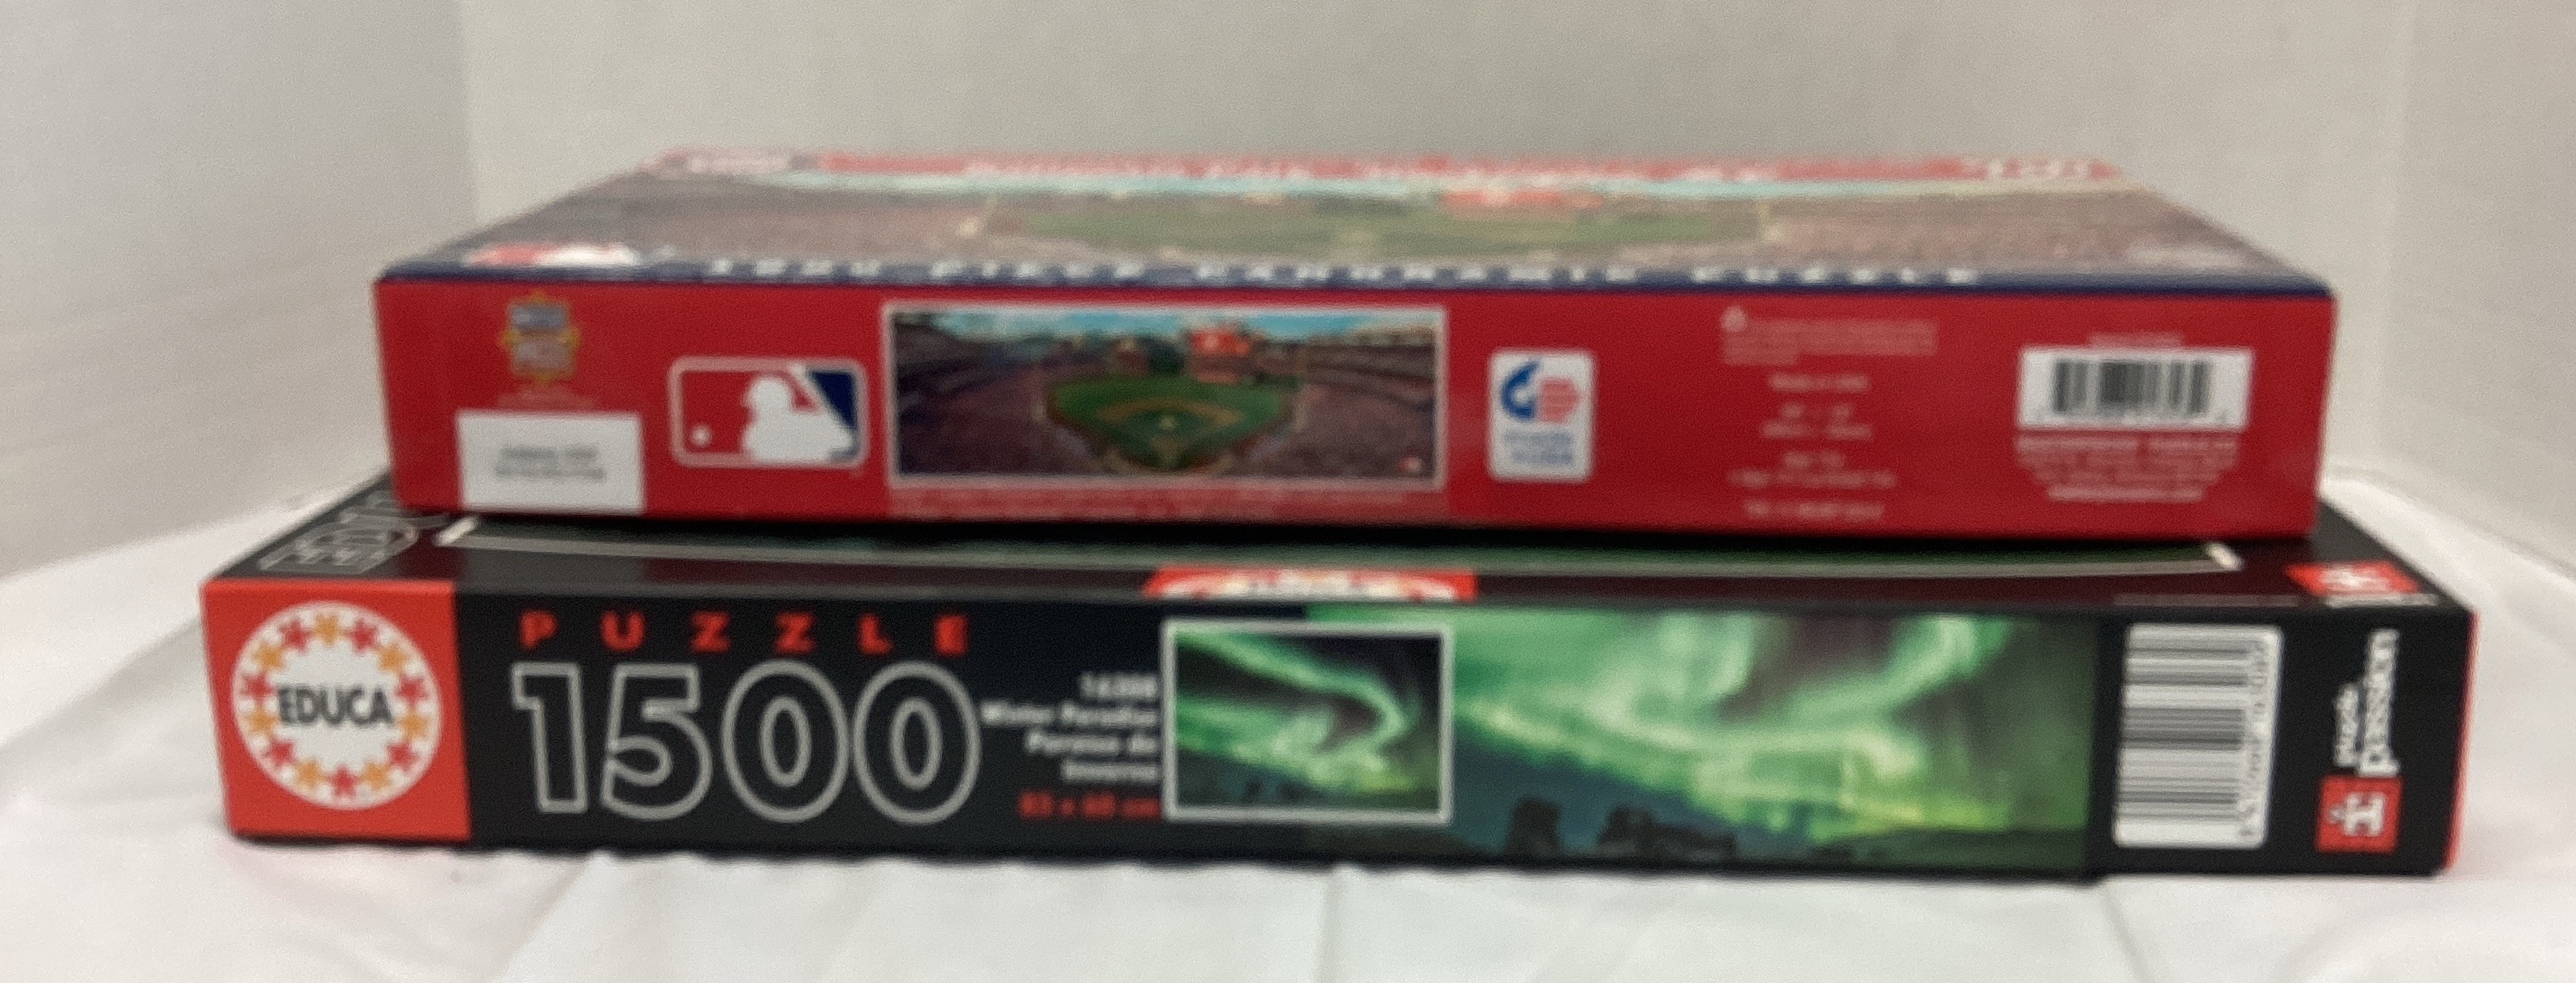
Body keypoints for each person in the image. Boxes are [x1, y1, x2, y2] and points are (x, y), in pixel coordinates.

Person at [741, 373, 854, 463]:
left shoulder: (756, 434)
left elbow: (847, 442)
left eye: (755, 403)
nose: (751, 407)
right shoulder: (754, 434)